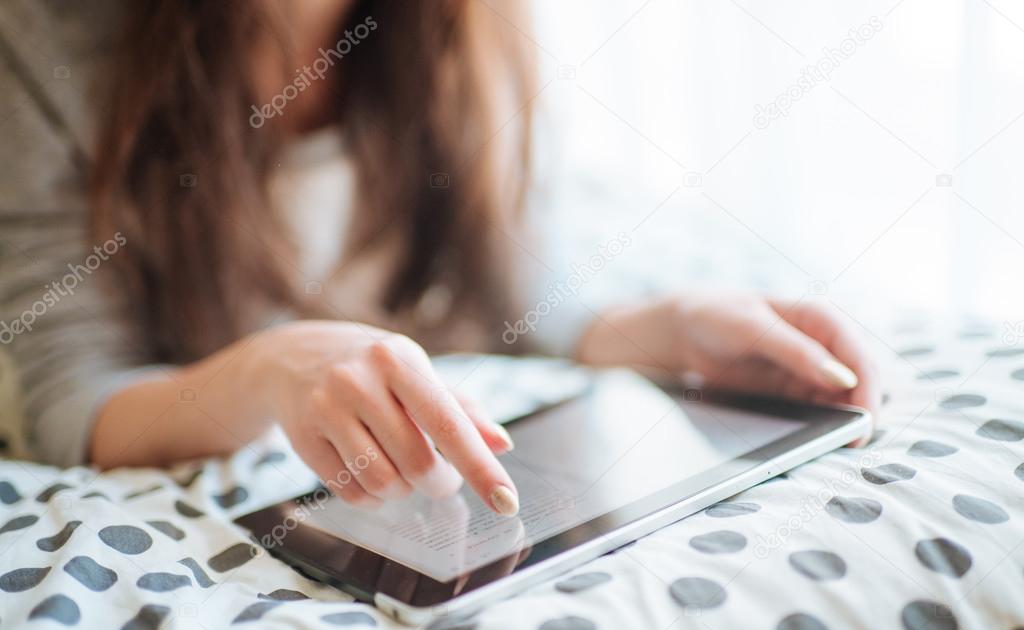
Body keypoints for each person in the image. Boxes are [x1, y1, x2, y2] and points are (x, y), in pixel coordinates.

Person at [0, 0, 878, 518]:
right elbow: (70, 402)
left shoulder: (457, 26)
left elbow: (496, 285)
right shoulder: (41, 40)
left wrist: (662, 331)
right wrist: (269, 372)